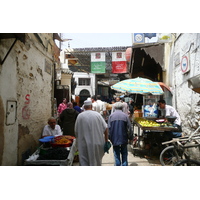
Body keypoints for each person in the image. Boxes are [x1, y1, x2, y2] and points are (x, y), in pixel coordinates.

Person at [74, 100, 108, 166]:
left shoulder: (80, 116)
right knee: (96, 162)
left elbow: (76, 131)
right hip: (97, 143)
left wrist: (77, 143)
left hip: (84, 144)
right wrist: (106, 141)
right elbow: (105, 128)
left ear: (84, 107)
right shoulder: (97, 115)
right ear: (91, 106)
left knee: (85, 162)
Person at [108, 102, 133, 166]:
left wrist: (109, 137)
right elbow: (130, 128)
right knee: (124, 153)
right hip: (124, 138)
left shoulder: (111, 116)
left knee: (116, 153)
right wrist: (130, 137)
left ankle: (117, 165)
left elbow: (109, 128)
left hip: (114, 138)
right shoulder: (125, 116)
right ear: (122, 108)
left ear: (115, 107)